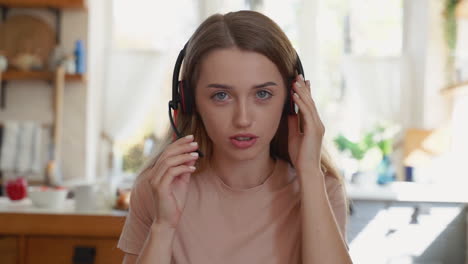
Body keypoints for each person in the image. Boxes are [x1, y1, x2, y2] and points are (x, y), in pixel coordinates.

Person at [118, 10, 352, 264]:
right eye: (221, 96)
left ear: (292, 100)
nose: (242, 119)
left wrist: (309, 172)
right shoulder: (158, 188)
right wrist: (163, 227)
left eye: (262, 94)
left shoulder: (321, 188)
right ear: (189, 102)